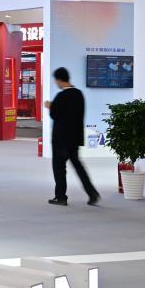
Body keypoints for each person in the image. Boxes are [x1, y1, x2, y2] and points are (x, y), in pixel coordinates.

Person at [45, 67, 99, 207]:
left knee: (59, 168)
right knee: (78, 166)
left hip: (60, 139)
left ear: (59, 80)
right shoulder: (79, 94)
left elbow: (55, 115)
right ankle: (92, 193)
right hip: (74, 138)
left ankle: (60, 197)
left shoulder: (61, 96)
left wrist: (50, 106)